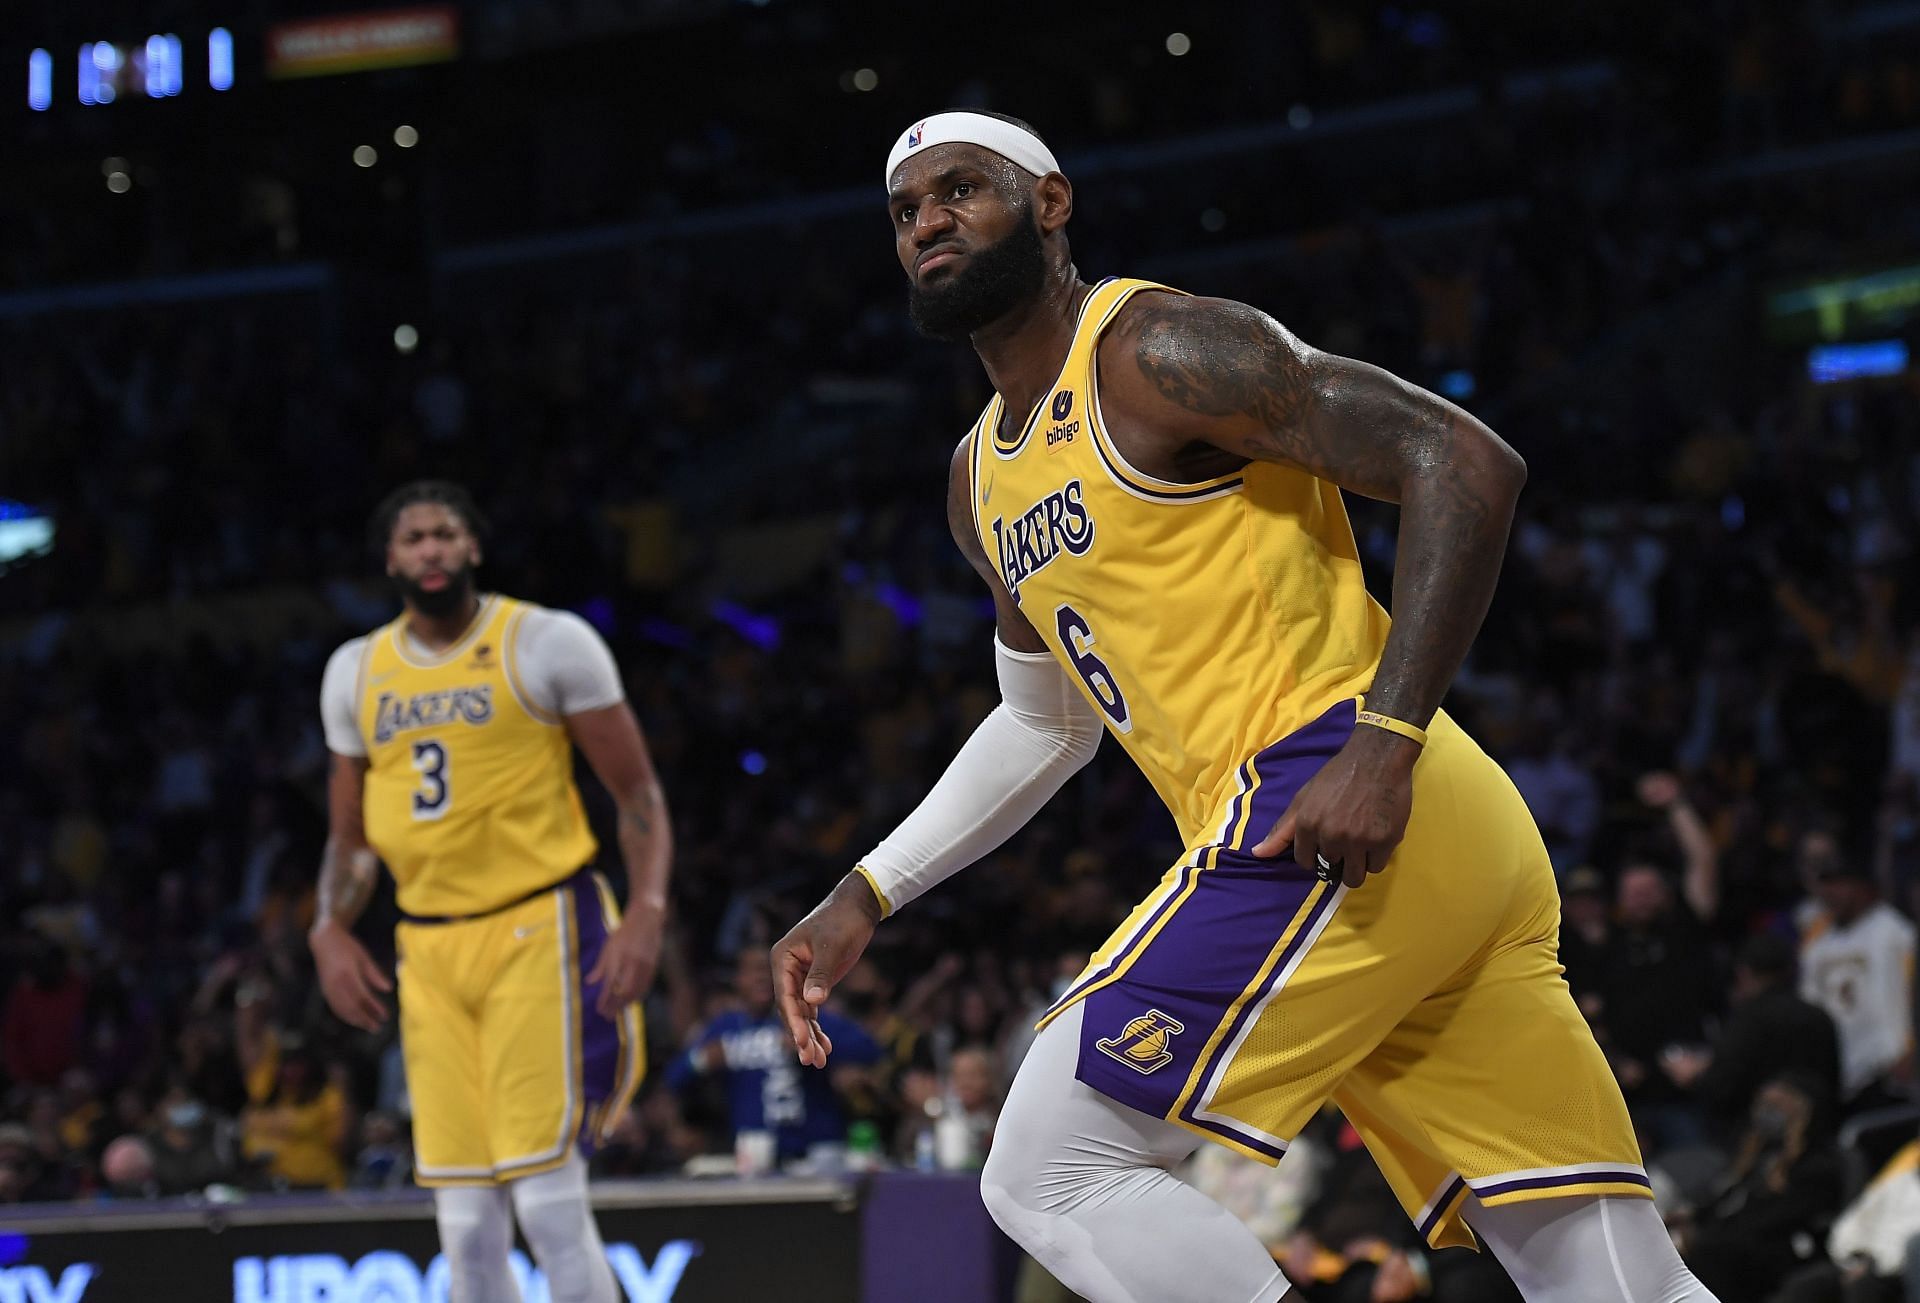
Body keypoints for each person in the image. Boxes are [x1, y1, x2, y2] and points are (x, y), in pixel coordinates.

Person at [771, 110, 1716, 1301]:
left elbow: (1463, 461)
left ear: (1052, 202)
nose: (930, 223)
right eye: (907, 211)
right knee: (1608, 1273)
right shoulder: (979, 478)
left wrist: (1384, 737)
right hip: (1411, 842)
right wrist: (869, 890)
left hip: (1327, 790)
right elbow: (1047, 723)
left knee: (1050, 1167)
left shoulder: (1156, 347)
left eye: (963, 189)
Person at [311, 481, 672, 1303]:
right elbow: (350, 839)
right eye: (413, 539)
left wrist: (646, 911)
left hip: (540, 928)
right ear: (390, 559)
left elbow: (640, 796)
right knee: (464, 1225)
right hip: (428, 948)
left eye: (445, 534)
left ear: (473, 547)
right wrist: (327, 927)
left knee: (548, 1201)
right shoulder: (354, 672)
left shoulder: (546, 640)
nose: (431, 550)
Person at [664, 950, 881, 1164]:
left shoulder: (807, 1015)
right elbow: (674, 1077)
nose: (762, 977)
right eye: (753, 970)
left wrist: (813, 1042)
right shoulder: (726, 1027)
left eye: (768, 970)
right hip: (753, 1152)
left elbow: (869, 1049)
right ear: (738, 980)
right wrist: (702, 1059)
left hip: (816, 1150)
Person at [1799, 858, 1916, 1108]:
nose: (1830, 892)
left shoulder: (1895, 932)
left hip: (1885, 1068)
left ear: (1863, 887)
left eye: (1839, 884)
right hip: (1831, 1069)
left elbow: (1911, 995)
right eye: (1825, 884)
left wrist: (1909, 1052)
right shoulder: (1817, 940)